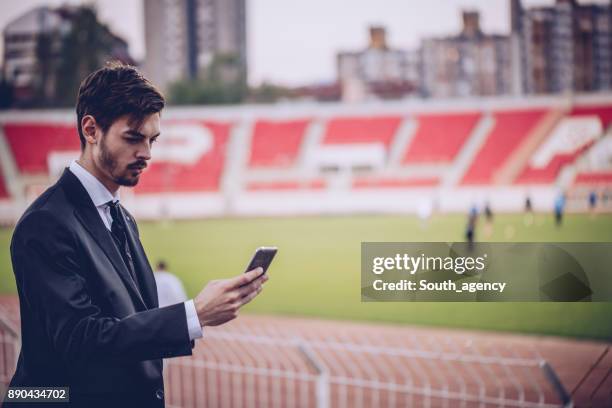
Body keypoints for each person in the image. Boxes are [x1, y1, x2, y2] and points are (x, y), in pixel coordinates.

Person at [6, 62, 268, 408]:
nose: (146, 153)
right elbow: (81, 340)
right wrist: (194, 315)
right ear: (91, 129)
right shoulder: (44, 223)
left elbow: (129, 322)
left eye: (151, 140)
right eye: (133, 137)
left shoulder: (121, 217)